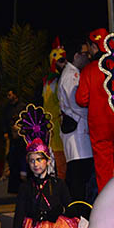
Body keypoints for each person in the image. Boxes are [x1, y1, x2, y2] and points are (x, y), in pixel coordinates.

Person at [76, 28, 114, 190]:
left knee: (103, 171)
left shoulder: (89, 70)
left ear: (95, 46)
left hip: (99, 127)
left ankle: (108, 207)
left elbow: (81, 100)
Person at [58, 42, 94, 202]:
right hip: (78, 132)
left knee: (80, 174)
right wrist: (95, 115)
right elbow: (77, 104)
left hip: (78, 130)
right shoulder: (72, 76)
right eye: (85, 53)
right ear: (76, 56)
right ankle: (78, 210)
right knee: (79, 175)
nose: (88, 57)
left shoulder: (74, 73)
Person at [42, 38, 67, 178]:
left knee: (58, 157)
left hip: (54, 125)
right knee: (58, 157)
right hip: (54, 125)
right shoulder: (54, 80)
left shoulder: (50, 80)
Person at [1, 90, 25, 193]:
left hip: (22, 140)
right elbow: (4, 121)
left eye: (10, 94)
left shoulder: (23, 107)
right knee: (12, 161)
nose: (9, 97)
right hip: (13, 140)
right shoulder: (7, 109)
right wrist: (7, 132)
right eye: (8, 95)